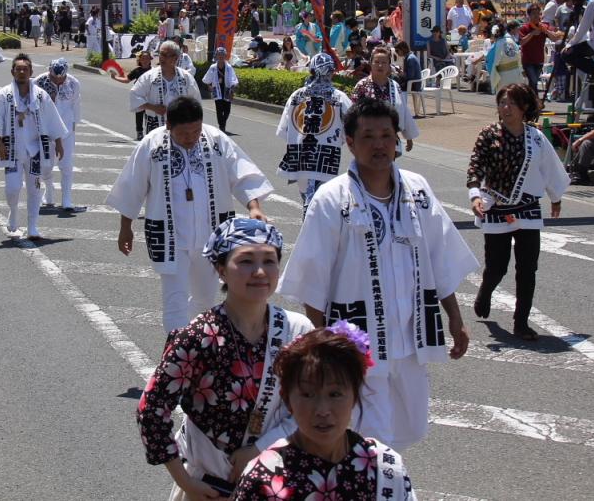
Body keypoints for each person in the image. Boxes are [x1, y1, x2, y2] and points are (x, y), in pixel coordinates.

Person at [279, 98, 475, 451]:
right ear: (350, 143)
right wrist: (323, 346)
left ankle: (383, 483)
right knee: (369, 438)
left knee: (411, 428)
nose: (380, 144)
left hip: (411, 338)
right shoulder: (332, 198)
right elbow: (313, 280)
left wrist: (456, 318)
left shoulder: (418, 191)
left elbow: (440, 256)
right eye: (368, 136)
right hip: (358, 342)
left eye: (387, 135)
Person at [137, 218, 313, 500]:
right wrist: (186, 482)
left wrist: (259, 449)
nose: (259, 272)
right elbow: (152, 409)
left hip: (280, 481)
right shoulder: (198, 337)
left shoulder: (298, 331)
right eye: (245, 261)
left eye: (269, 261)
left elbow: (312, 407)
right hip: (210, 487)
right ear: (221, 269)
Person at [108, 96, 273, 331]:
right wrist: (125, 228)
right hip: (170, 237)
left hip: (211, 234)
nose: (190, 138)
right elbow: (132, 187)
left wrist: (254, 207)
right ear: (168, 126)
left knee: (205, 298)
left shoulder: (215, 140)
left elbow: (241, 172)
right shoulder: (152, 145)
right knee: (174, 300)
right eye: (184, 133)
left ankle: (197, 344)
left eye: (195, 131)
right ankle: (175, 356)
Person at [233, 324, 416, 501]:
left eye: (335, 394)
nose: (322, 410)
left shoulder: (385, 468)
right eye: (307, 394)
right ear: (287, 399)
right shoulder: (263, 477)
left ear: (354, 394)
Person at [468, 83, 569, 341]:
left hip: (527, 209)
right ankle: (486, 290)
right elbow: (476, 167)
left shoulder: (536, 137)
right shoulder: (488, 134)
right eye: (502, 103)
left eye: (512, 103)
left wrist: (555, 197)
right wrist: (475, 195)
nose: (506, 108)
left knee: (527, 268)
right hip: (497, 208)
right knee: (497, 267)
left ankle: (521, 322)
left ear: (524, 107)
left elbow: (551, 168)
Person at [0, 54, 67, 239]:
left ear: (31, 72)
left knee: (35, 188)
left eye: (25, 69)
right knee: (12, 189)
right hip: (12, 150)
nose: (22, 72)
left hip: (36, 151)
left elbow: (53, 119)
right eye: (18, 69)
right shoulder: (3, 95)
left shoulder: (40, 95)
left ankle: (33, 226)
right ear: (12, 71)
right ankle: (13, 211)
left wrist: (59, 143)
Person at [276, 53, 353, 211]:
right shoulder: (339, 97)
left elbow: (283, 130)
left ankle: (309, 230)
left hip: (300, 155)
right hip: (328, 156)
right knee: (322, 205)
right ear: (330, 72)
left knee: (308, 200)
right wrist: (339, 139)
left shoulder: (297, 95)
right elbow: (353, 127)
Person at [352, 45, 419, 154]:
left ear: (389, 65)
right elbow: (352, 113)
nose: (380, 65)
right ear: (370, 63)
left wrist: (408, 136)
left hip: (390, 138)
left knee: (388, 169)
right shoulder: (361, 86)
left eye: (384, 63)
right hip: (367, 139)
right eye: (377, 62)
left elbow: (404, 110)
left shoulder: (395, 86)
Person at [36, 58, 82, 211]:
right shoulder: (39, 82)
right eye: (54, 77)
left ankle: (66, 199)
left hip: (66, 130)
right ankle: (49, 189)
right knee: (45, 166)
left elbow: (76, 105)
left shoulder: (73, 83)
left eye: (60, 77)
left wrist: (74, 126)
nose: (57, 80)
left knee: (66, 165)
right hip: (45, 131)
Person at [130, 41, 199, 137]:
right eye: (161, 54)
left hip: (180, 125)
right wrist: (152, 107)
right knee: (156, 150)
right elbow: (134, 94)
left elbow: (196, 103)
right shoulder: (149, 76)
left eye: (166, 55)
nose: (162, 58)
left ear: (175, 58)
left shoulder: (186, 78)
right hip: (155, 124)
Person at [518, 4, 562, 91]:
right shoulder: (524, 28)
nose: (536, 16)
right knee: (533, 81)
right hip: (528, 60)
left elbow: (555, 38)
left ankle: (530, 100)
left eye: (538, 13)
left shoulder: (543, 27)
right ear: (529, 15)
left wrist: (546, 31)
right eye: (534, 13)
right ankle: (536, 100)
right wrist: (532, 34)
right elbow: (521, 42)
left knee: (532, 83)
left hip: (539, 60)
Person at [111, 51, 154, 140]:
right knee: (139, 114)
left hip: (151, 95)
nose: (145, 60)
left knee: (151, 114)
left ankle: (150, 133)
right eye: (143, 58)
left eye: (147, 58)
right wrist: (115, 78)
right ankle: (139, 132)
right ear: (140, 60)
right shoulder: (137, 70)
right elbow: (127, 80)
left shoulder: (154, 71)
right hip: (140, 95)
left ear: (150, 59)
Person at [202, 47, 239, 134]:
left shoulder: (229, 67)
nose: (221, 56)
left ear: (225, 56)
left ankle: (223, 123)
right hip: (216, 90)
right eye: (219, 55)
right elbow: (207, 78)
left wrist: (233, 89)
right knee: (219, 109)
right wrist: (209, 86)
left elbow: (234, 79)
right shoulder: (213, 67)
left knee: (227, 110)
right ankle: (221, 126)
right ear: (216, 56)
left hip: (227, 90)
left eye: (222, 55)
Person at [485, 19, 522, 94]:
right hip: (516, 72)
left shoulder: (496, 45)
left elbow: (489, 61)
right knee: (515, 96)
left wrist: (493, 74)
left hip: (503, 75)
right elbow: (519, 56)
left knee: (504, 96)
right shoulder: (512, 41)